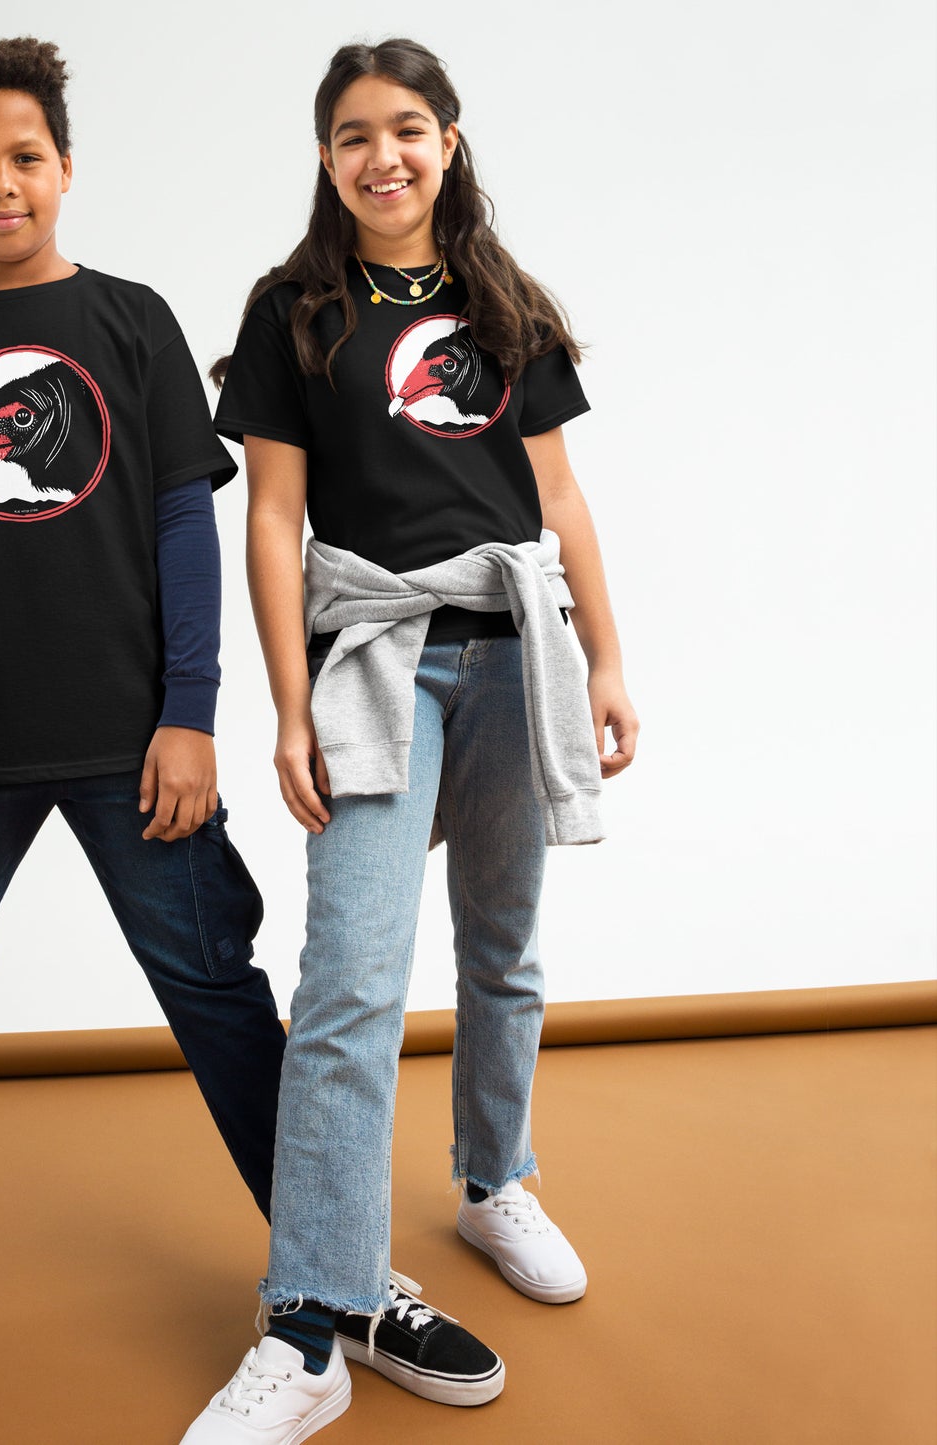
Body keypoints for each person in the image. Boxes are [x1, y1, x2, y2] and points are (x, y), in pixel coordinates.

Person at [0, 40, 498, 1403]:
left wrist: (188, 716)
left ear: (63, 168)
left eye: (24, 157)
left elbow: (187, 533)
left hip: (136, 747)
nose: (1, 183)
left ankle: (338, 1270)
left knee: (219, 996)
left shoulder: (128, 323)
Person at [181, 37, 639, 1443]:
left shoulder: (506, 304)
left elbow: (557, 502)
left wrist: (607, 656)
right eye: (350, 137)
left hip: (516, 658)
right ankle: (311, 1320)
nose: (380, 155)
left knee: (501, 945)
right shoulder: (293, 311)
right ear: (324, 160)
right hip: (377, 660)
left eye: (405, 129)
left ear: (447, 140)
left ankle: (495, 1179)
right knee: (349, 985)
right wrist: (281, 703)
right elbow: (269, 519)